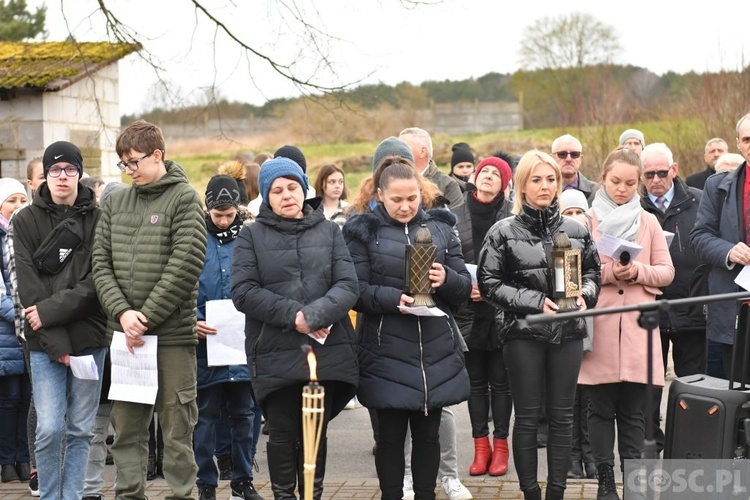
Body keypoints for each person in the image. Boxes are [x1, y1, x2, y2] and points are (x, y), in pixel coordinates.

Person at [231, 157, 359, 500]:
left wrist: (315, 315)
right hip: (275, 349)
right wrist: (295, 317)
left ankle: (312, 496)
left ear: (303, 189)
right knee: (284, 433)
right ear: (267, 197)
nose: (286, 195)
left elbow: (347, 284)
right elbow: (243, 291)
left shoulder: (330, 230)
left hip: (326, 349)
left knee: (315, 434)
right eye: (277, 190)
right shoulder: (251, 236)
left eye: (292, 187)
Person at [92, 119, 207, 500]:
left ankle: (181, 494)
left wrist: (147, 316)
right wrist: (124, 314)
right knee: (126, 428)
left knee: (176, 426)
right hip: (126, 337)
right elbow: (100, 263)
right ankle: (129, 494)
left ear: (158, 155)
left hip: (172, 337)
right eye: (123, 164)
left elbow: (186, 263)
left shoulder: (186, 199)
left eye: (134, 162)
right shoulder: (115, 201)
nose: (129, 171)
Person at [343, 155, 471, 500]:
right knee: (390, 438)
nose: (405, 206)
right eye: (397, 199)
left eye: (412, 198)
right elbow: (354, 290)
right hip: (385, 349)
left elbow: (462, 289)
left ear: (422, 192)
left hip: (433, 350)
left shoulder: (442, 228)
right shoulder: (363, 231)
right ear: (380, 195)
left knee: (429, 436)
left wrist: (446, 279)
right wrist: (391, 298)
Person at [478, 150, 600, 500]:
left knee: (562, 417)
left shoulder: (576, 229)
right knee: (529, 417)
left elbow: (593, 272)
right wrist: (534, 302)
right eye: (537, 180)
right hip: (523, 334)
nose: (545, 186)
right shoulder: (502, 232)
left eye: (551, 179)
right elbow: (489, 282)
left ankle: (557, 493)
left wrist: (585, 296)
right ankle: (530, 492)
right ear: (522, 186)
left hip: (569, 333)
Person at [12, 141, 109, 500]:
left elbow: (98, 283)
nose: (62, 177)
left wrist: (52, 311)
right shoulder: (25, 222)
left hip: (89, 338)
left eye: (70, 169)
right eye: (55, 170)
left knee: (82, 428)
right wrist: (58, 347)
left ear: (79, 173)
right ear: (45, 175)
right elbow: (29, 289)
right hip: (45, 343)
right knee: (50, 427)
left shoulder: (100, 219)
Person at [578, 146, 674, 500]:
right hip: (600, 328)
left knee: (635, 414)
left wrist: (637, 271)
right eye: (616, 181)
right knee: (600, 411)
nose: (622, 188)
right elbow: (573, 275)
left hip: (638, 330)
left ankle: (633, 483)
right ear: (603, 179)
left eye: (630, 183)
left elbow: (667, 272)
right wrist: (607, 273)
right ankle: (605, 483)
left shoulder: (648, 221)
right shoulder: (586, 222)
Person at [194, 175, 263, 500]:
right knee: (205, 417)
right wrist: (191, 320)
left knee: (244, 415)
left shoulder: (250, 241)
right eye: (217, 214)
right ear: (207, 209)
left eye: (229, 214)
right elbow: (180, 285)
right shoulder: (194, 240)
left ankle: (242, 479)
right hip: (205, 346)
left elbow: (260, 284)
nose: (223, 220)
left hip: (241, 344)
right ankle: (206, 483)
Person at [450, 153, 513, 478]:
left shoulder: (513, 215)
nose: (488, 175)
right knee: (475, 384)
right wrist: (464, 287)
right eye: (484, 170)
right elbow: (447, 264)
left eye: (496, 173)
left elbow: (523, 264)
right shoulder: (454, 215)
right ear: (474, 176)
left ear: (505, 183)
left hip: (503, 313)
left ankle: (501, 446)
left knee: (501, 384)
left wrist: (492, 289)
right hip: (468, 313)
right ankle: (480, 447)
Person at [690, 113, 750, 384]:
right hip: (734, 307)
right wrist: (728, 251)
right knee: (738, 393)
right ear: (738, 143)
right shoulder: (716, 186)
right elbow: (699, 236)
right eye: (747, 139)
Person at [82, 182, 127, 500]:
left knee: (127, 429)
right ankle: (91, 490)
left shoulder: (135, 242)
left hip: (127, 346)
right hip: (98, 344)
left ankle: (127, 488)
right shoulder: (90, 245)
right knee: (95, 427)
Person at [558, 188, 596, 481]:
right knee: (569, 397)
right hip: (567, 330)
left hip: (596, 329)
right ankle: (571, 457)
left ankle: (591, 455)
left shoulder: (594, 243)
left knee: (591, 399)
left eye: (578, 212)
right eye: (567, 213)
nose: (574, 219)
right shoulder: (558, 246)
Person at [0, 178, 30, 484]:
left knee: (26, 398)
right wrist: (22, 315)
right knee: (8, 399)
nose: (19, 207)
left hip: (27, 329)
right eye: (12, 201)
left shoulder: (27, 233)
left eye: (23, 200)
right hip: (7, 333)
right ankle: (7, 460)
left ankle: (24, 458)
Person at [399, 127, 464, 208]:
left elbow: (458, 219)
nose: (398, 152)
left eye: (403, 148)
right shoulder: (390, 180)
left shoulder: (448, 185)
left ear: (422, 152)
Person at [551, 134, 596, 200]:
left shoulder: (597, 193)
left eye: (574, 154)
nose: (568, 159)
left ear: (581, 159)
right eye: (562, 154)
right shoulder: (543, 193)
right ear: (552, 158)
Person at [314, 164, 350, 228]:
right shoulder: (313, 210)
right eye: (332, 182)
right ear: (321, 184)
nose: (337, 186)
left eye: (341, 182)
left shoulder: (349, 211)